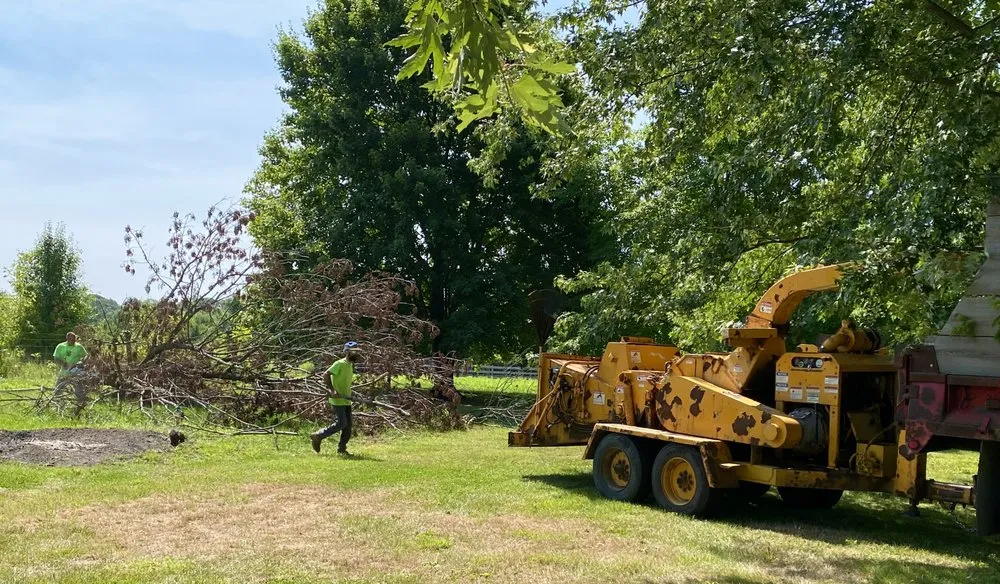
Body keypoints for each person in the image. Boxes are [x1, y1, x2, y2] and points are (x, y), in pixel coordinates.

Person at [310, 341, 361, 455]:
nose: (357, 354)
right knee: (342, 423)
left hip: (346, 399)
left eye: (357, 351)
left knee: (348, 427)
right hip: (337, 399)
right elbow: (326, 374)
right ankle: (318, 436)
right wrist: (332, 390)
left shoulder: (350, 364)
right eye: (354, 351)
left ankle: (342, 449)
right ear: (347, 352)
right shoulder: (339, 363)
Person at [52, 331, 88, 411]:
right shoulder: (60, 346)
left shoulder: (79, 347)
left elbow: (86, 356)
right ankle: (56, 404)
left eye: (74, 339)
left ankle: (80, 405)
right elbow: (56, 358)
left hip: (76, 372)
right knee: (58, 389)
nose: (72, 340)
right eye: (70, 339)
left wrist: (81, 363)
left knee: (79, 390)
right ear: (67, 338)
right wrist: (63, 364)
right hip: (64, 372)